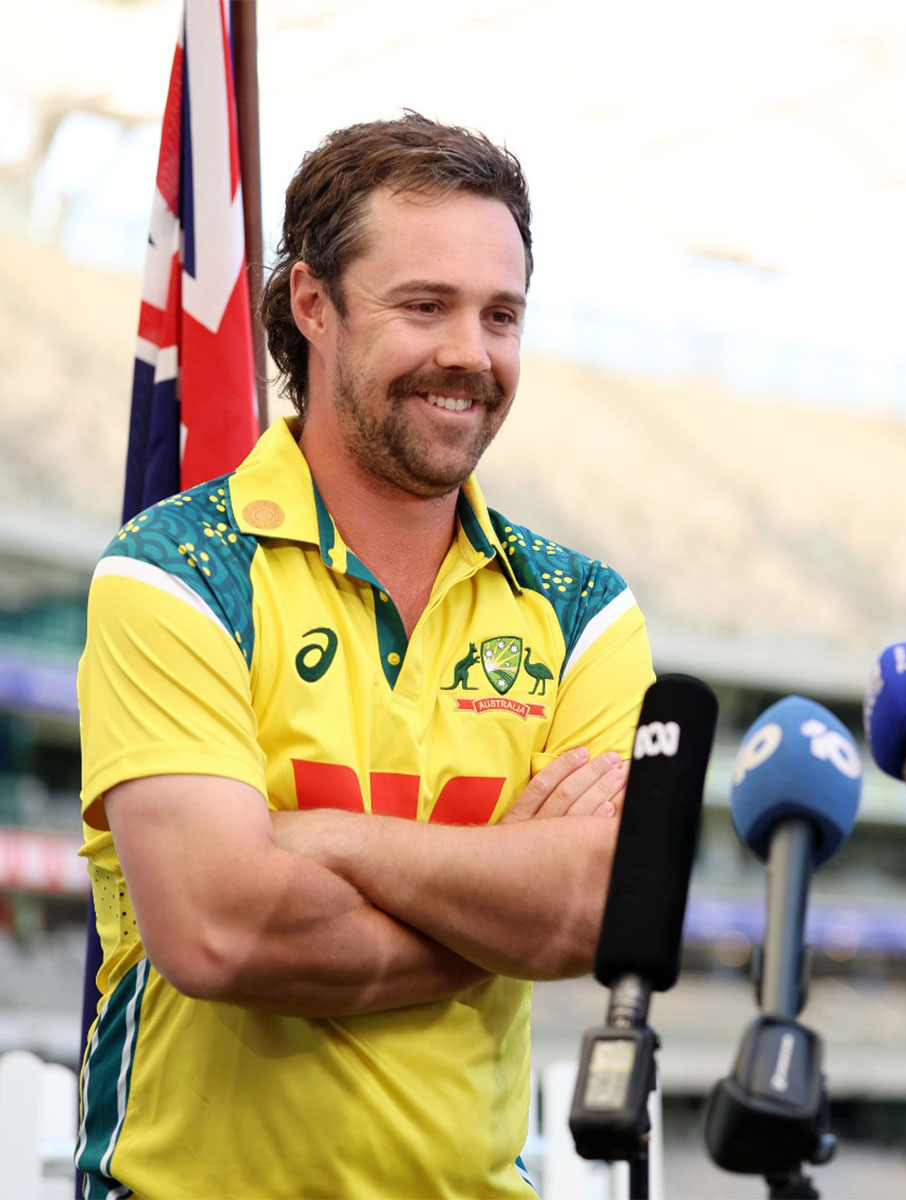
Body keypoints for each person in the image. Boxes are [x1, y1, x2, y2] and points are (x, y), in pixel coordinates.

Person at [75, 114, 653, 1197]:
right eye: (424, 306)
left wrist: (325, 839)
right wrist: (502, 910)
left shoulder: (584, 611)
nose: (469, 356)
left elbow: (605, 911)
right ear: (312, 305)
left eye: (501, 315)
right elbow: (220, 932)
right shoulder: (172, 574)